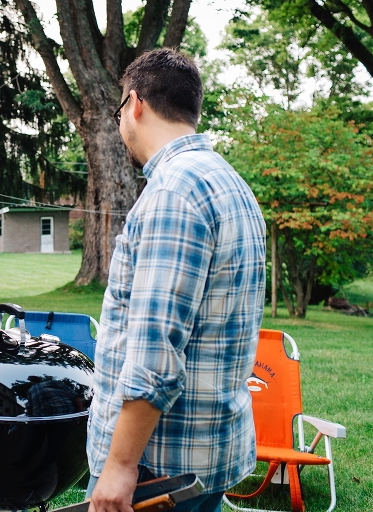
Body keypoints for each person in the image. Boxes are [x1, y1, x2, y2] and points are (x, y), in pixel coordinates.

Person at [86, 49, 267, 512]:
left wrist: (120, 466)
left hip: (155, 470)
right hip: (206, 457)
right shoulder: (230, 184)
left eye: (118, 111)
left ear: (134, 103)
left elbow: (154, 356)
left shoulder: (173, 193)